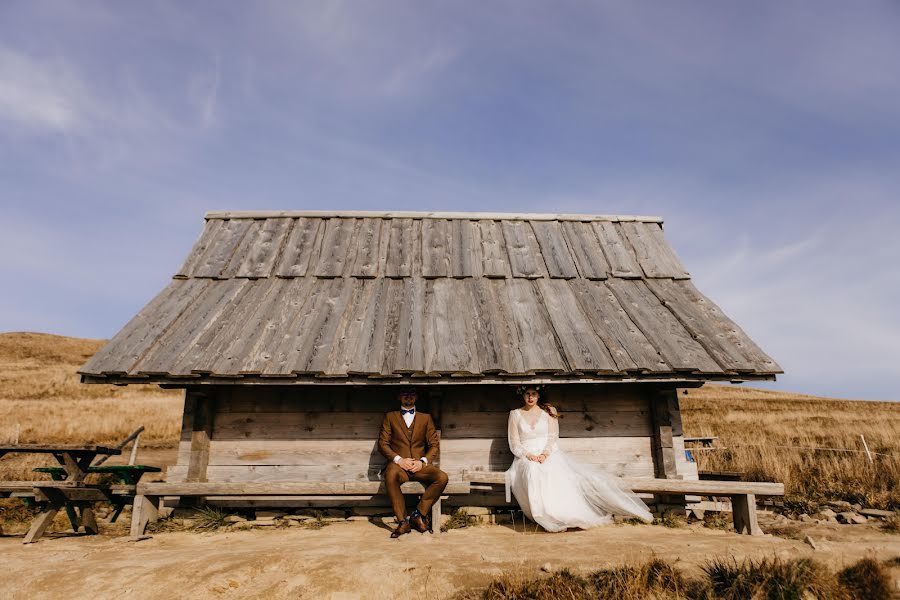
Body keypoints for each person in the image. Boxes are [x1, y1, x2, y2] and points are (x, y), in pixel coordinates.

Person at [505, 386, 654, 532]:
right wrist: (528, 455)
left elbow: (552, 437)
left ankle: (563, 514)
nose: (530, 397)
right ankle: (543, 515)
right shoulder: (515, 414)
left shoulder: (549, 411)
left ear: (538, 396)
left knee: (553, 469)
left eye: (534, 393)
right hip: (525, 455)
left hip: (547, 453)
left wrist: (544, 454)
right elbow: (514, 443)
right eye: (527, 393)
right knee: (532, 469)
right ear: (522, 395)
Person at [378, 388, 449, 538]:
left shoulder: (425, 418)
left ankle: (418, 514)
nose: (408, 398)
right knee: (390, 475)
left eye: (411, 395)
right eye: (405, 395)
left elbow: (434, 445)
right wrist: (399, 460)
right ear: (399, 397)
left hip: (419, 467)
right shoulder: (390, 417)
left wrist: (422, 462)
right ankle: (403, 522)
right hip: (399, 467)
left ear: (416, 397)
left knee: (442, 477)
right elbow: (383, 444)